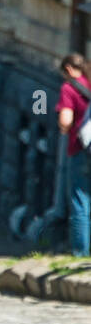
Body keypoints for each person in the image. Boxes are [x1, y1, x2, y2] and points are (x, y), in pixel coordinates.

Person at [57, 53, 91, 257]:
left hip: (81, 150)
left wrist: (62, 128)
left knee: (80, 201)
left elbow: (66, 120)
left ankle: (81, 253)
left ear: (68, 70)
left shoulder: (69, 88)